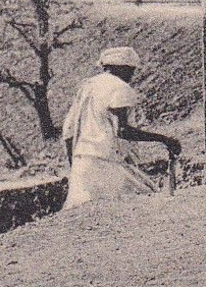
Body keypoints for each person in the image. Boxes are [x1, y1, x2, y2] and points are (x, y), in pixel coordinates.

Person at [60, 47, 181, 209]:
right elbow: (123, 130)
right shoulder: (119, 88)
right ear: (123, 68)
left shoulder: (87, 87)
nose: (132, 76)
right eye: (131, 71)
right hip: (106, 164)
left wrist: (74, 166)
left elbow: (68, 130)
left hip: (82, 163)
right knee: (144, 206)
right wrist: (164, 139)